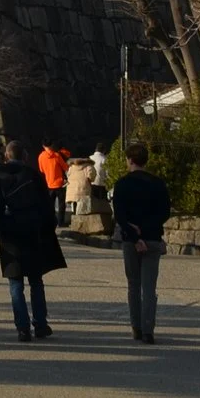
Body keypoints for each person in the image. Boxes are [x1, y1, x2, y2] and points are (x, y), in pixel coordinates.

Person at [0, 141, 66, 342]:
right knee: (36, 280)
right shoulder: (34, 176)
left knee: (15, 282)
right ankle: (40, 324)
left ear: (8, 156)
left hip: (9, 232)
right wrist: (47, 229)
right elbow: (47, 208)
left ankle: (22, 327)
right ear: (25, 156)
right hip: (32, 230)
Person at [110, 139, 171, 343]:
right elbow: (165, 212)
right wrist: (146, 231)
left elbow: (119, 215)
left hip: (130, 240)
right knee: (149, 288)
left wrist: (135, 235)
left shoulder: (122, 184)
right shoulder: (158, 184)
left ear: (129, 160)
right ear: (145, 161)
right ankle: (148, 330)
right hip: (153, 238)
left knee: (133, 285)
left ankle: (136, 327)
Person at [63, 148, 98, 228]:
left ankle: (74, 222)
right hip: (83, 188)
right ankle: (81, 224)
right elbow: (91, 176)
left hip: (72, 189)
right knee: (83, 207)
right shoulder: (88, 166)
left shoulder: (72, 166)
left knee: (75, 205)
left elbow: (68, 175)